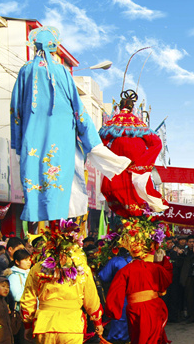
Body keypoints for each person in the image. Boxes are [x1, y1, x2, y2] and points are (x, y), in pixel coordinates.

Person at [10, 26, 130, 222]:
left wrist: (17, 144)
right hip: (62, 136)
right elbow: (78, 108)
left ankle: (41, 219)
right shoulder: (62, 71)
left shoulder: (25, 70)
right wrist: (91, 139)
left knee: (34, 175)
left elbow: (15, 111)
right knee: (63, 178)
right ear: (54, 47)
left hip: (32, 137)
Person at [20, 223, 104, 344]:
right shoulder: (81, 269)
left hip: (45, 325)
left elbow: (28, 299)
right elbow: (91, 298)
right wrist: (97, 320)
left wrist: (27, 324)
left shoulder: (38, 267)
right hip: (71, 326)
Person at [98, 89, 168, 218]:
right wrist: (143, 162)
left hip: (119, 160)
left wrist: (108, 156)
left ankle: (129, 217)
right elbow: (156, 142)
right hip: (136, 159)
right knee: (136, 189)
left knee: (116, 189)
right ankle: (137, 216)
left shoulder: (112, 123)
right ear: (132, 108)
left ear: (120, 107)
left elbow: (100, 141)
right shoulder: (140, 124)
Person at [106, 248, 173, 344]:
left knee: (135, 338)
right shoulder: (153, 267)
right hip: (152, 306)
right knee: (151, 339)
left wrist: (113, 311)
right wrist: (162, 261)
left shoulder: (125, 270)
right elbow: (167, 276)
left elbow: (116, 291)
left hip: (134, 308)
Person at [5, 249, 38, 344]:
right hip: (21, 315)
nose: (28, 262)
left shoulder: (32, 273)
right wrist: (33, 295)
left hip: (34, 313)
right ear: (17, 261)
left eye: (29, 259)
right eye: (25, 259)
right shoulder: (13, 276)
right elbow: (17, 295)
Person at [98, 248, 133, 344]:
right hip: (134, 292)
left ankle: (117, 341)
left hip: (119, 292)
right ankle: (131, 341)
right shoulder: (137, 261)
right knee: (132, 316)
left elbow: (104, 276)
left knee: (119, 315)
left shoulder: (115, 261)